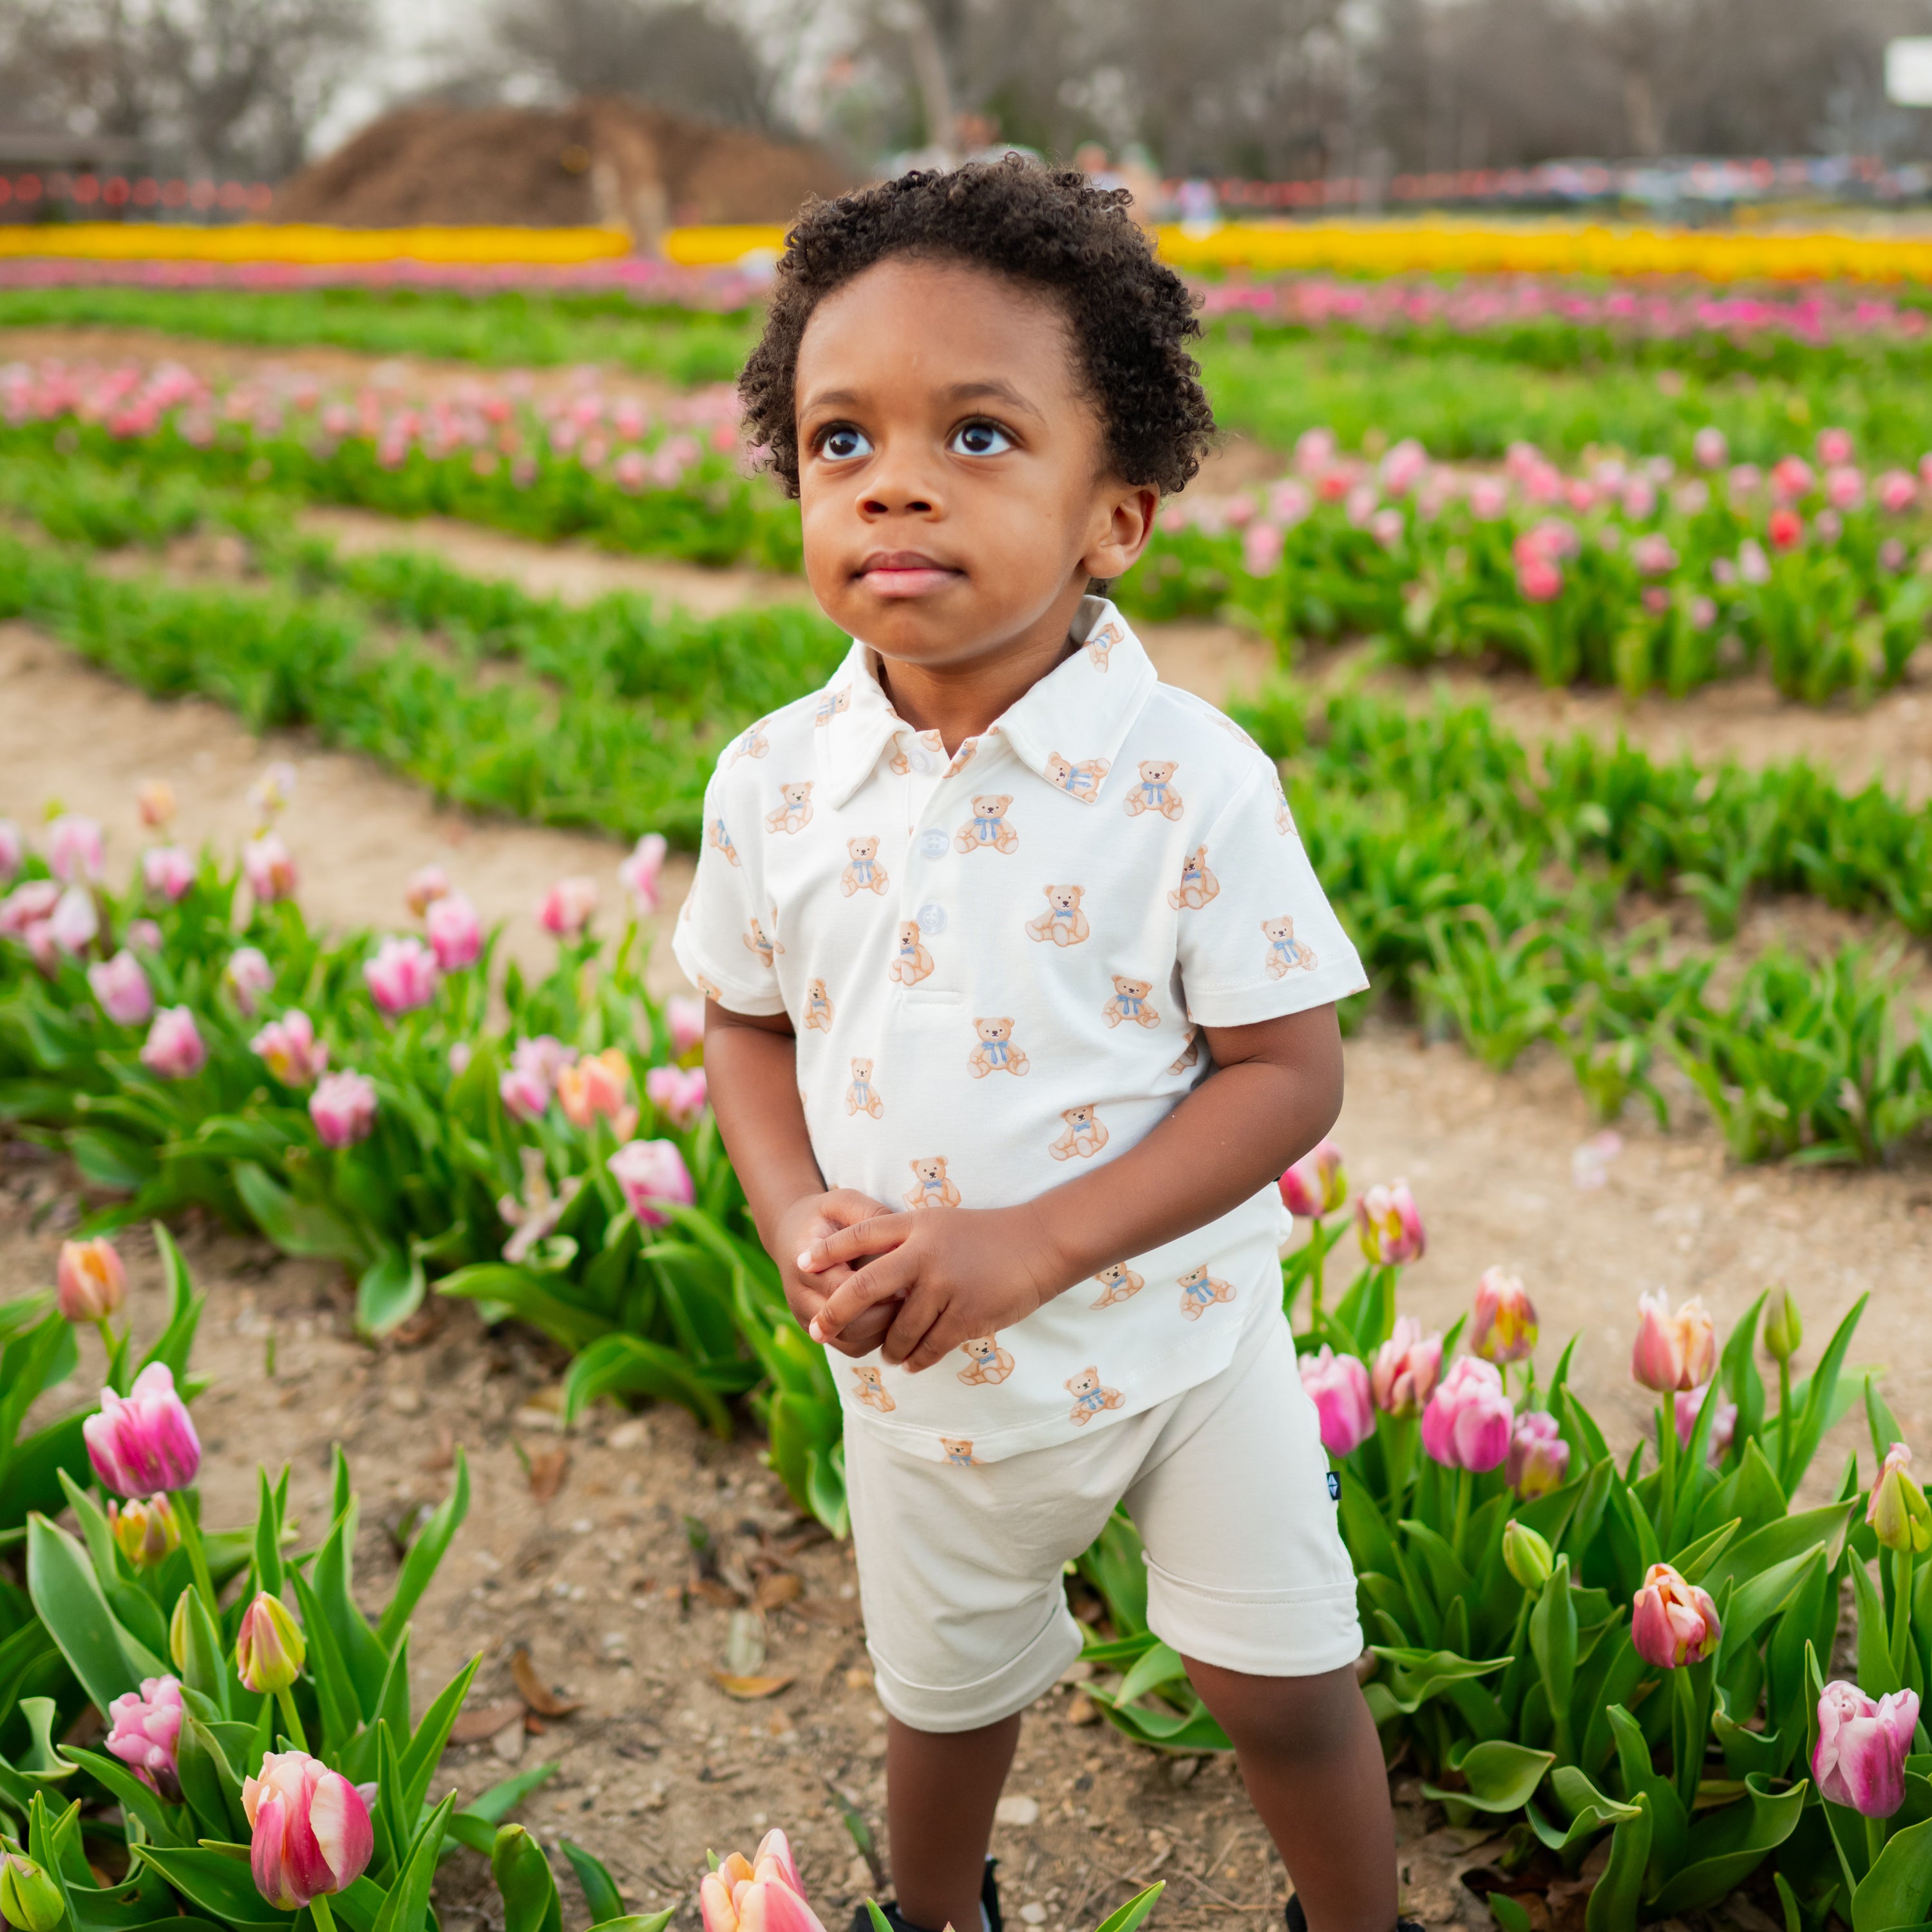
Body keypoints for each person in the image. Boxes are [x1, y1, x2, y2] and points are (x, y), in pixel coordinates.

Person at [679, 158, 1406, 1932]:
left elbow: (1288, 1074)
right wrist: (789, 1214)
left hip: (1181, 1342)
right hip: (923, 1372)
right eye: (841, 441)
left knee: (1287, 1682)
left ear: (1118, 516)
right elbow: (746, 1021)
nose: (896, 480)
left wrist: (1036, 1244)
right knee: (946, 1701)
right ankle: (938, 1916)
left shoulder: (1189, 783)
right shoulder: (776, 780)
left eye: (981, 437)